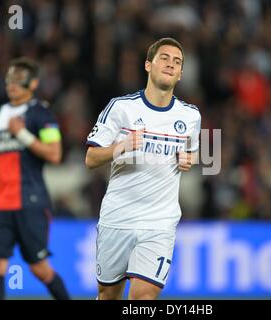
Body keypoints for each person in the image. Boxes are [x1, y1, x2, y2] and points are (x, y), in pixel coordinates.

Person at [85, 37, 201, 300]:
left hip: (159, 223)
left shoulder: (190, 116)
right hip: (118, 219)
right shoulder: (121, 108)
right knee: (108, 296)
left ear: (181, 73)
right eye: (164, 58)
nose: (171, 65)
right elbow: (91, 158)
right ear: (148, 65)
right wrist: (120, 147)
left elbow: (192, 154)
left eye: (177, 62)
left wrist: (189, 160)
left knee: (143, 299)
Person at [0, 57, 70, 300]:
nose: (12, 84)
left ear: (33, 83)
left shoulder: (42, 113)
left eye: (19, 79)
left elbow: (55, 154)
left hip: (30, 200)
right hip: (0, 200)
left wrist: (23, 134)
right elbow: (8, 149)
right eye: (9, 79)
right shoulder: (0, 111)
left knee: (39, 269)